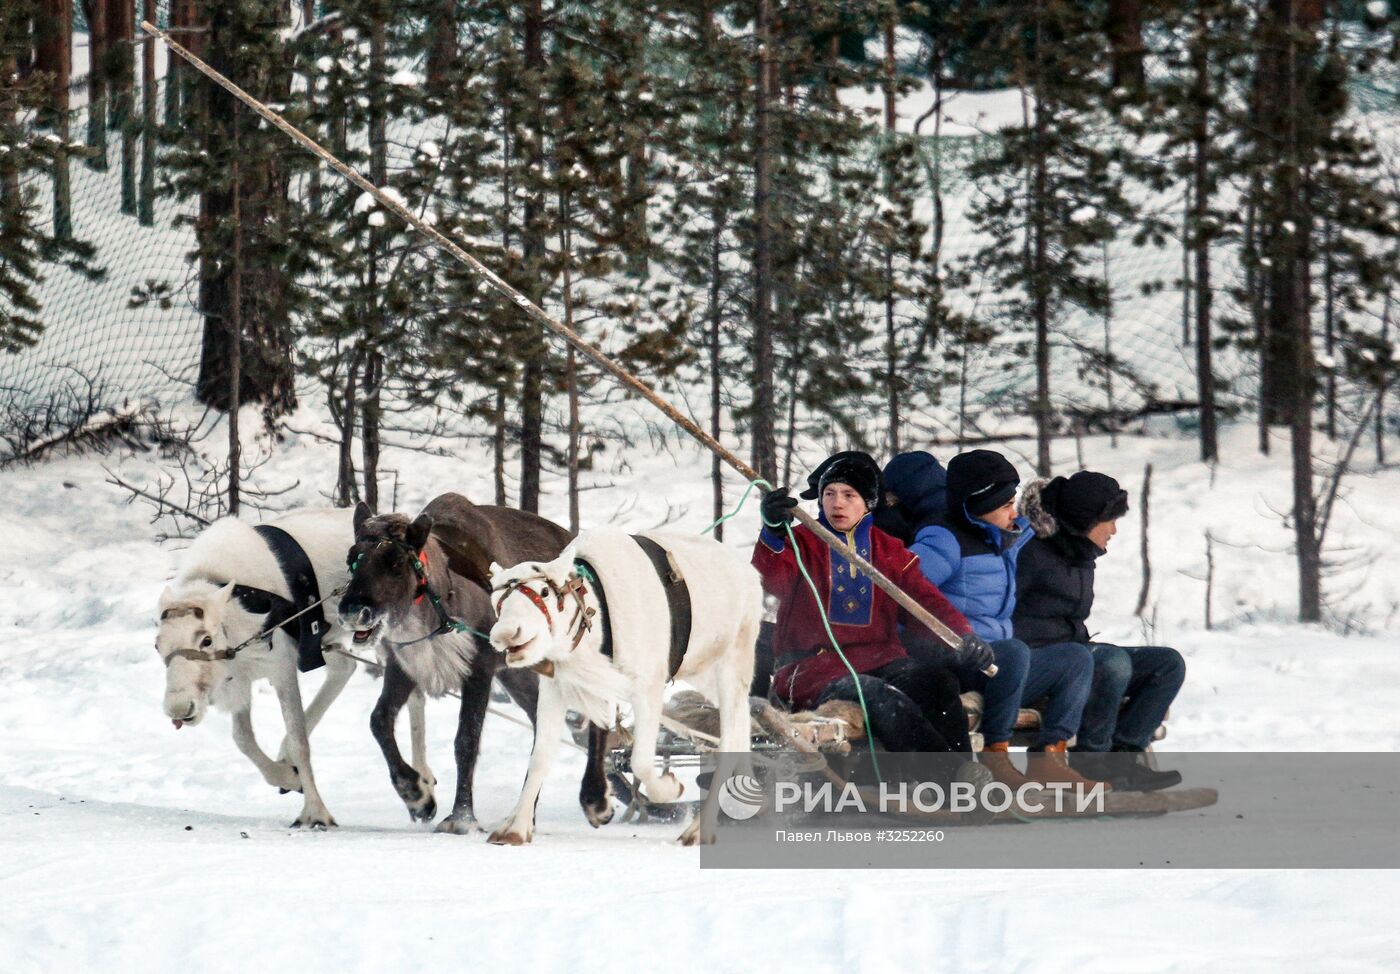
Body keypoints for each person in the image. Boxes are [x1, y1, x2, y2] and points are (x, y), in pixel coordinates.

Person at [752, 451, 994, 755]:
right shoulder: (800, 541)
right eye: (829, 494)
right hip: (813, 667)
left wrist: (964, 636)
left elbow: (924, 601)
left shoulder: (889, 550)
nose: (837, 503)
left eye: (849, 495)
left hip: (882, 659)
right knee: (878, 695)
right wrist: (772, 534)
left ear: (868, 502)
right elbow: (771, 580)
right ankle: (950, 775)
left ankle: (964, 770)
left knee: (938, 683)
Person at [895, 449, 1100, 790]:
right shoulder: (943, 539)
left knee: (1075, 659)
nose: (1012, 511)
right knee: (1014, 651)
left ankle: (1050, 756)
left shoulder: (1002, 536)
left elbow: (1039, 522)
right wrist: (948, 645)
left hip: (999, 667)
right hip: (962, 663)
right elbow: (900, 594)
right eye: (1005, 504)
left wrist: (1056, 502)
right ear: (979, 505)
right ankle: (997, 755)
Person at [1015, 471, 1185, 791]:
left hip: (1076, 653)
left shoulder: (1080, 554)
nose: (1114, 530)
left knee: (1167, 664)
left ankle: (1122, 759)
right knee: (1110, 661)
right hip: (1041, 663)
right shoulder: (1031, 553)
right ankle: (1091, 763)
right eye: (1110, 520)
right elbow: (1000, 611)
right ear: (1085, 519)